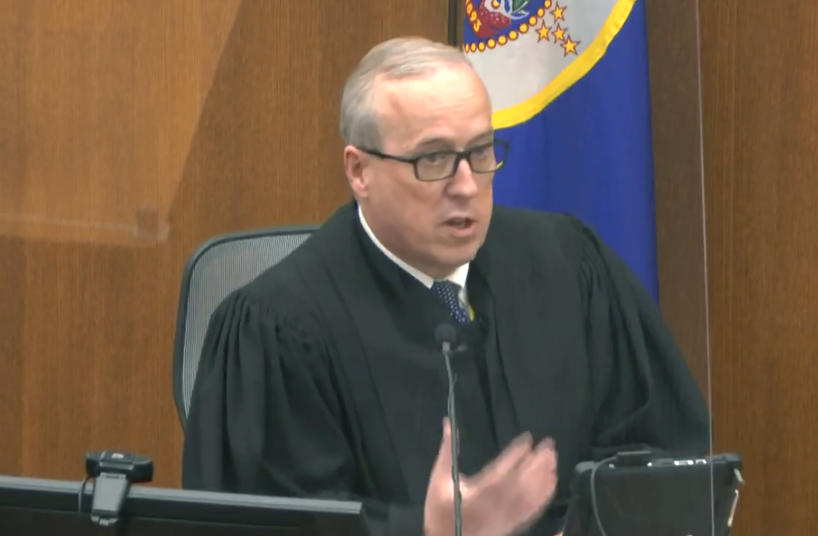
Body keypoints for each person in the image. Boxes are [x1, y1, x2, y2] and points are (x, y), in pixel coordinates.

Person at [182, 37, 708, 536]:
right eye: (432, 159)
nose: (465, 186)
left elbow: (662, 455)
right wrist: (433, 532)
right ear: (359, 170)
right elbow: (271, 525)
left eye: (480, 151)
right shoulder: (277, 329)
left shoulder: (570, 267)